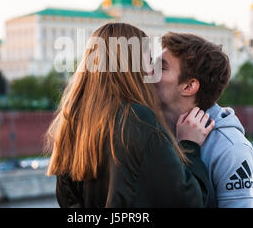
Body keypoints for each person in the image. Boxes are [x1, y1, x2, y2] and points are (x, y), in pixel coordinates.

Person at [46, 22, 215, 207]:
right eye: (148, 61)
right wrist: (190, 145)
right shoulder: (138, 120)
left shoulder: (71, 123)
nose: (152, 70)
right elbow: (189, 202)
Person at [154, 32, 253, 208]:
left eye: (161, 68)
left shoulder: (232, 150)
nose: (148, 73)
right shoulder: (151, 133)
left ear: (189, 86)